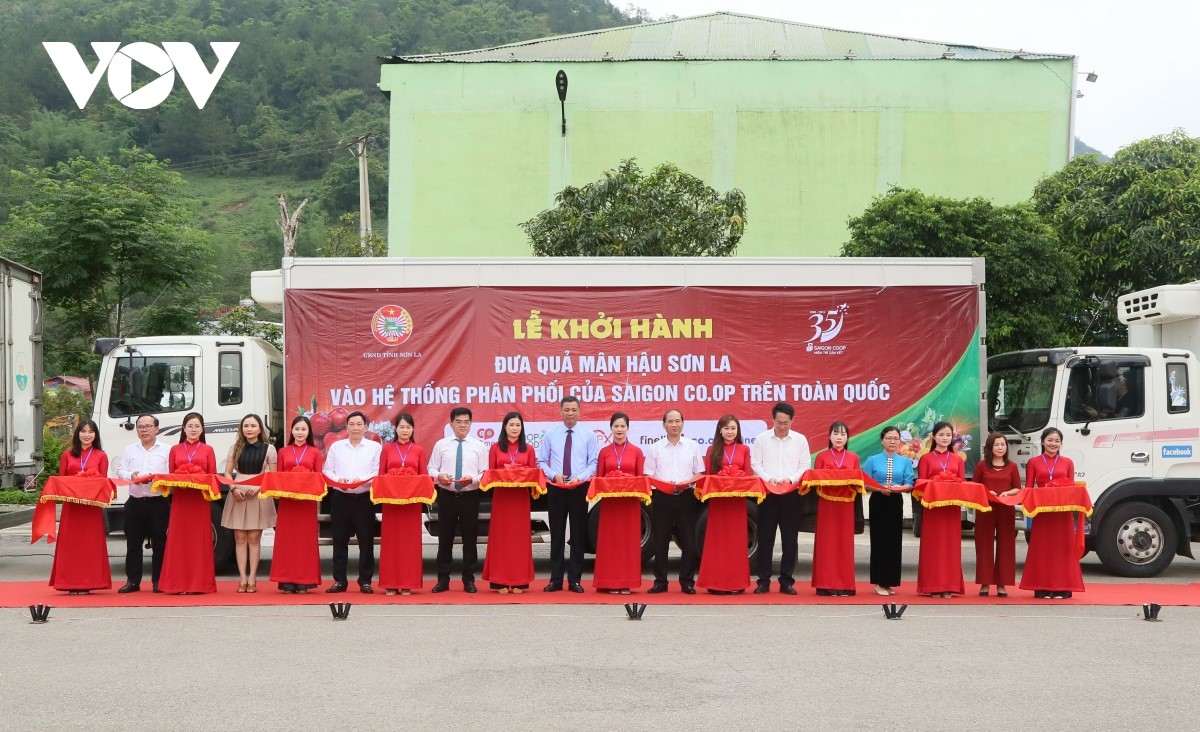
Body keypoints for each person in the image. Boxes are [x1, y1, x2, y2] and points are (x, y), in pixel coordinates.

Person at [537, 396, 599, 593]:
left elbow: (593, 463)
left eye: (573, 410)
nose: (570, 413)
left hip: (578, 488)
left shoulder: (588, 435)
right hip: (556, 488)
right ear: (560, 411)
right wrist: (553, 475)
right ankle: (555, 579)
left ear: (579, 412)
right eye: (566, 410)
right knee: (557, 535)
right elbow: (541, 461)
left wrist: (579, 478)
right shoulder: (551, 434)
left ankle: (575, 580)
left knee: (578, 535)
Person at [750, 402, 810, 595]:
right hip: (768, 494)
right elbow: (756, 464)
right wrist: (769, 479)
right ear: (773, 420)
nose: (782, 426)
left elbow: (805, 465)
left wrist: (790, 479)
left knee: (790, 540)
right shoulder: (762, 439)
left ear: (792, 420)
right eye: (779, 422)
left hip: (791, 495)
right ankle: (763, 581)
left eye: (786, 423)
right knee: (765, 539)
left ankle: (786, 581)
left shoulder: (800, 440)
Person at [644, 408, 705, 595]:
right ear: (664, 425)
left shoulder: (692, 446)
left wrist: (688, 482)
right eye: (670, 421)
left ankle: (687, 581)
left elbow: (699, 472)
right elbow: (648, 475)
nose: (674, 425)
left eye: (677, 421)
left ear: (683, 424)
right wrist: (664, 484)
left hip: (686, 496)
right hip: (662, 497)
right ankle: (660, 581)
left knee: (688, 541)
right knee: (660, 541)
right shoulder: (655, 448)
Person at [427, 407, 488, 593]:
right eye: (459, 422)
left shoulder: (479, 446)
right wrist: (439, 476)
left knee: (470, 540)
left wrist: (472, 480)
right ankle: (443, 580)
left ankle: (469, 580)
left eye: (466, 422)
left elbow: (484, 472)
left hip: (470, 496)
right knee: (445, 539)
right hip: (447, 496)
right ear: (451, 423)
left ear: (471, 424)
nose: (463, 425)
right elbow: (431, 468)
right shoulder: (441, 444)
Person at [1020, 428, 1084, 600]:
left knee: (1063, 549)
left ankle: (1063, 588)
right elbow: (1029, 487)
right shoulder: (1033, 462)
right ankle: (1042, 587)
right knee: (1042, 549)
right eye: (1049, 440)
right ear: (1042, 441)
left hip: (1062, 513)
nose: (1053, 444)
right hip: (1043, 513)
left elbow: (1071, 487)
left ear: (1061, 443)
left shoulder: (1067, 462)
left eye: (1057, 441)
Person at [159, 412, 218, 594]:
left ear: (202, 429)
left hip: (200, 500)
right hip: (181, 500)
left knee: (199, 540)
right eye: (190, 426)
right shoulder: (175, 449)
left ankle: (199, 584)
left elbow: (212, 475)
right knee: (179, 540)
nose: (193, 429)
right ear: (184, 428)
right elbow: (171, 474)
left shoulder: (208, 449)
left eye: (197, 426)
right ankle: (178, 584)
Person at [50, 420, 112, 594]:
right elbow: (61, 480)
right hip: (72, 507)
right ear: (77, 433)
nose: (87, 435)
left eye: (91, 431)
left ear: (95, 435)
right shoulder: (67, 454)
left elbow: (103, 482)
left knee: (90, 544)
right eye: (83, 431)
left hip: (91, 507)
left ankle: (90, 582)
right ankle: (69, 582)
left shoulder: (101, 455)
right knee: (71, 544)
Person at [324, 411, 382, 594]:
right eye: (352, 424)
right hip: (341, 499)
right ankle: (339, 581)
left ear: (366, 427)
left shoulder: (374, 447)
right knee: (339, 541)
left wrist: (362, 480)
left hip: (364, 499)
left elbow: (377, 471)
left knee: (366, 541)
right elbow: (327, 470)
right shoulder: (336, 447)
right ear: (346, 427)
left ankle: (365, 581)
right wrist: (338, 480)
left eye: (359, 424)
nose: (355, 428)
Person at [221, 414, 278, 593]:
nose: (249, 429)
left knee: (254, 538)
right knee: (240, 538)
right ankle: (242, 578)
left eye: (253, 426)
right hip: (238, 493)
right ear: (241, 429)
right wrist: (233, 489)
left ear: (260, 429)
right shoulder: (234, 448)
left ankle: (252, 578)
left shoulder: (269, 449)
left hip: (259, 495)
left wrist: (260, 487)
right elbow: (227, 473)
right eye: (246, 426)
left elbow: (272, 475)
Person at [697, 415, 754, 595]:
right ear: (720, 430)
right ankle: (715, 582)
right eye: (726, 428)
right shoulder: (712, 449)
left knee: (736, 541)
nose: (730, 432)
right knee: (718, 541)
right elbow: (708, 477)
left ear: (738, 431)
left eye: (733, 428)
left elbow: (748, 474)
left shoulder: (744, 449)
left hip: (737, 502)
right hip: (718, 503)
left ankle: (736, 582)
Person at [116, 414, 171, 594]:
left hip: (158, 502)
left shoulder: (167, 450)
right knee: (133, 544)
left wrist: (157, 478)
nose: (144, 430)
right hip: (135, 502)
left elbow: (171, 472)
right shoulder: (129, 449)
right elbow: (120, 470)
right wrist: (130, 475)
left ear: (157, 429)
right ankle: (133, 581)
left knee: (160, 543)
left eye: (148, 426)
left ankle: (158, 581)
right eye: (140, 426)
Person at [483, 411, 537, 594]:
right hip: (502, 498)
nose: (515, 428)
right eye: (511, 424)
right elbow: (491, 473)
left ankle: (519, 581)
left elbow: (533, 474)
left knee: (519, 538)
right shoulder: (495, 448)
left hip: (520, 498)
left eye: (518, 425)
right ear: (504, 427)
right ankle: (500, 581)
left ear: (522, 428)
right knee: (501, 537)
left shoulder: (528, 449)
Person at [592, 412, 646, 594]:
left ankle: (626, 582)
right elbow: (599, 478)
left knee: (628, 542)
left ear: (628, 428)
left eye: (623, 426)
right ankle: (609, 581)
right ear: (611, 428)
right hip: (610, 505)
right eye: (616, 426)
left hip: (630, 505)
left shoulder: (637, 451)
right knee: (610, 542)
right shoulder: (604, 452)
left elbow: (640, 478)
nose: (619, 429)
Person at [378, 412, 428, 596]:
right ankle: (390, 583)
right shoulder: (387, 449)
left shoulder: (419, 450)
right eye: (401, 427)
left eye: (408, 427)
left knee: (409, 544)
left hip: (411, 504)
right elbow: (381, 475)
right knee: (391, 543)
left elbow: (423, 476)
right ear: (396, 429)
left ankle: (408, 582)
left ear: (413, 429)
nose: (405, 430)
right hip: (391, 503)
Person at [272, 416, 325, 594]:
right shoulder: (283, 452)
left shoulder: (315, 452)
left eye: (303, 429)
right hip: (287, 503)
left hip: (306, 503)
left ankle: (304, 580)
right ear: (292, 431)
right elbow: (278, 477)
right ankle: (286, 580)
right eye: (297, 429)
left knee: (305, 541)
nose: (300, 432)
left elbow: (319, 478)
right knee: (287, 541)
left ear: (309, 432)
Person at [862, 426, 915, 596]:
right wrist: (880, 488)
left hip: (895, 501)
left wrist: (899, 488)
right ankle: (879, 582)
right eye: (889, 438)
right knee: (879, 541)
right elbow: (865, 483)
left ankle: (890, 582)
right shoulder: (872, 460)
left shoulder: (905, 461)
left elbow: (909, 483)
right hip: (878, 501)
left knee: (894, 541)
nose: (892, 441)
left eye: (895, 438)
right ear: (882, 440)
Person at [916, 421, 966, 599]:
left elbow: (962, 483)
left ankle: (949, 586)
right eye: (941, 435)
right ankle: (932, 585)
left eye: (948, 435)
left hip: (951, 508)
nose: (945, 438)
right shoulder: (926, 459)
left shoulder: (958, 459)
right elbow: (920, 483)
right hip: (933, 508)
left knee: (951, 546)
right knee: (933, 545)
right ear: (933, 437)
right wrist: (936, 483)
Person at [811, 422, 861, 596]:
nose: (839, 437)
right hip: (827, 504)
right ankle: (824, 584)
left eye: (843, 434)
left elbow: (857, 481)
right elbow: (815, 480)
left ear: (847, 437)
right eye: (836, 433)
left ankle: (846, 585)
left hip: (846, 504)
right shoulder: (821, 456)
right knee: (826, 542)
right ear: (829, 436)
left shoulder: (853, 457)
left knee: (844, 543)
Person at [973, 432, 1021, 598]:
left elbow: (1017, 487)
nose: (1000, 447)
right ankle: (984, 583)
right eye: (997, 445)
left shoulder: (1012, 466)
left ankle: (1002, 584)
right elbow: (974, 486)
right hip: (985, 508)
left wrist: (1008, 493)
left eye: (1003, 444)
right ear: (990, 447)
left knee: (1006, 545)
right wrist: (987, 491)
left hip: (1006, 509)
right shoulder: (982, 465)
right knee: (983, 544)